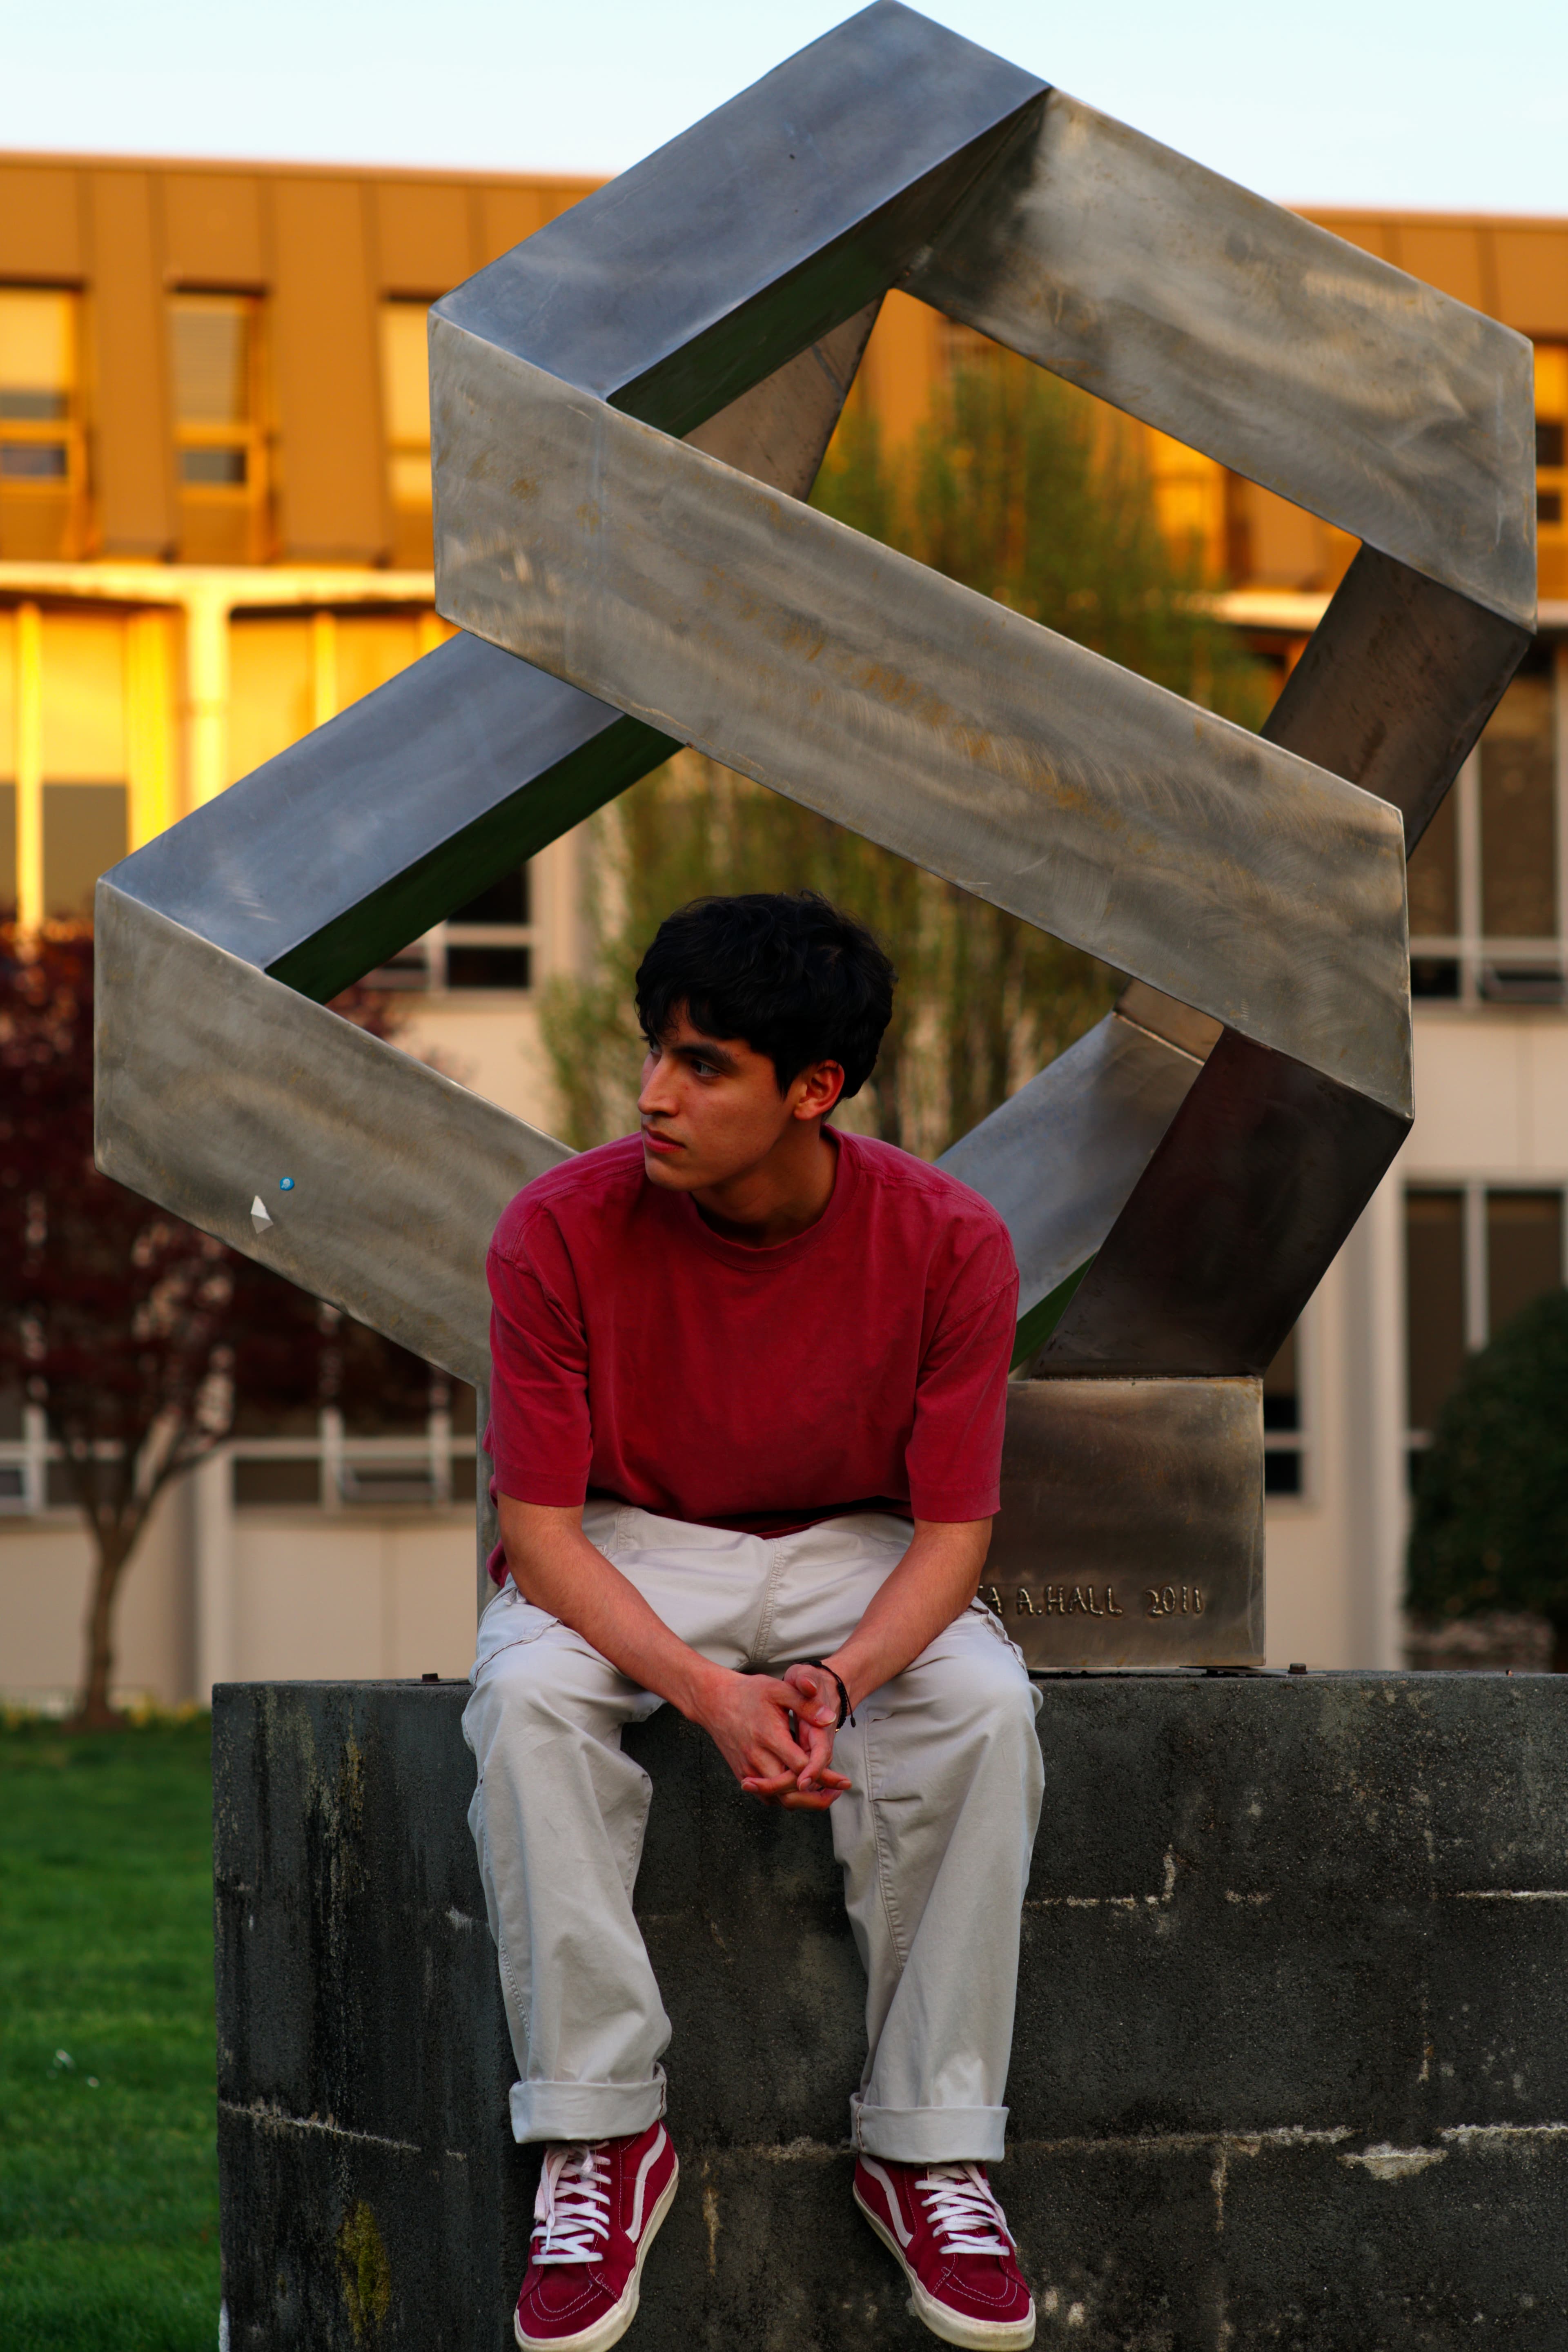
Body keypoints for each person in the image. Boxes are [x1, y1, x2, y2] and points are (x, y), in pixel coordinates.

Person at [463, 891, 1044, 2352]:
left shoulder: (952, 1244)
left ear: (815, 1090)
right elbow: (535, 1538)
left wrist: (833, 1688)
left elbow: (955, 1536)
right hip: (625, 1542)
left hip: (858, 1546)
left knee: (985, 1707)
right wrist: (715, 1697)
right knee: (529, 1705)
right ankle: (601, 2138)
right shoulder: (555, 1232)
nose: (655, 1094)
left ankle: (928, 2147)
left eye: (705, 1065)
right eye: (656, 1052)